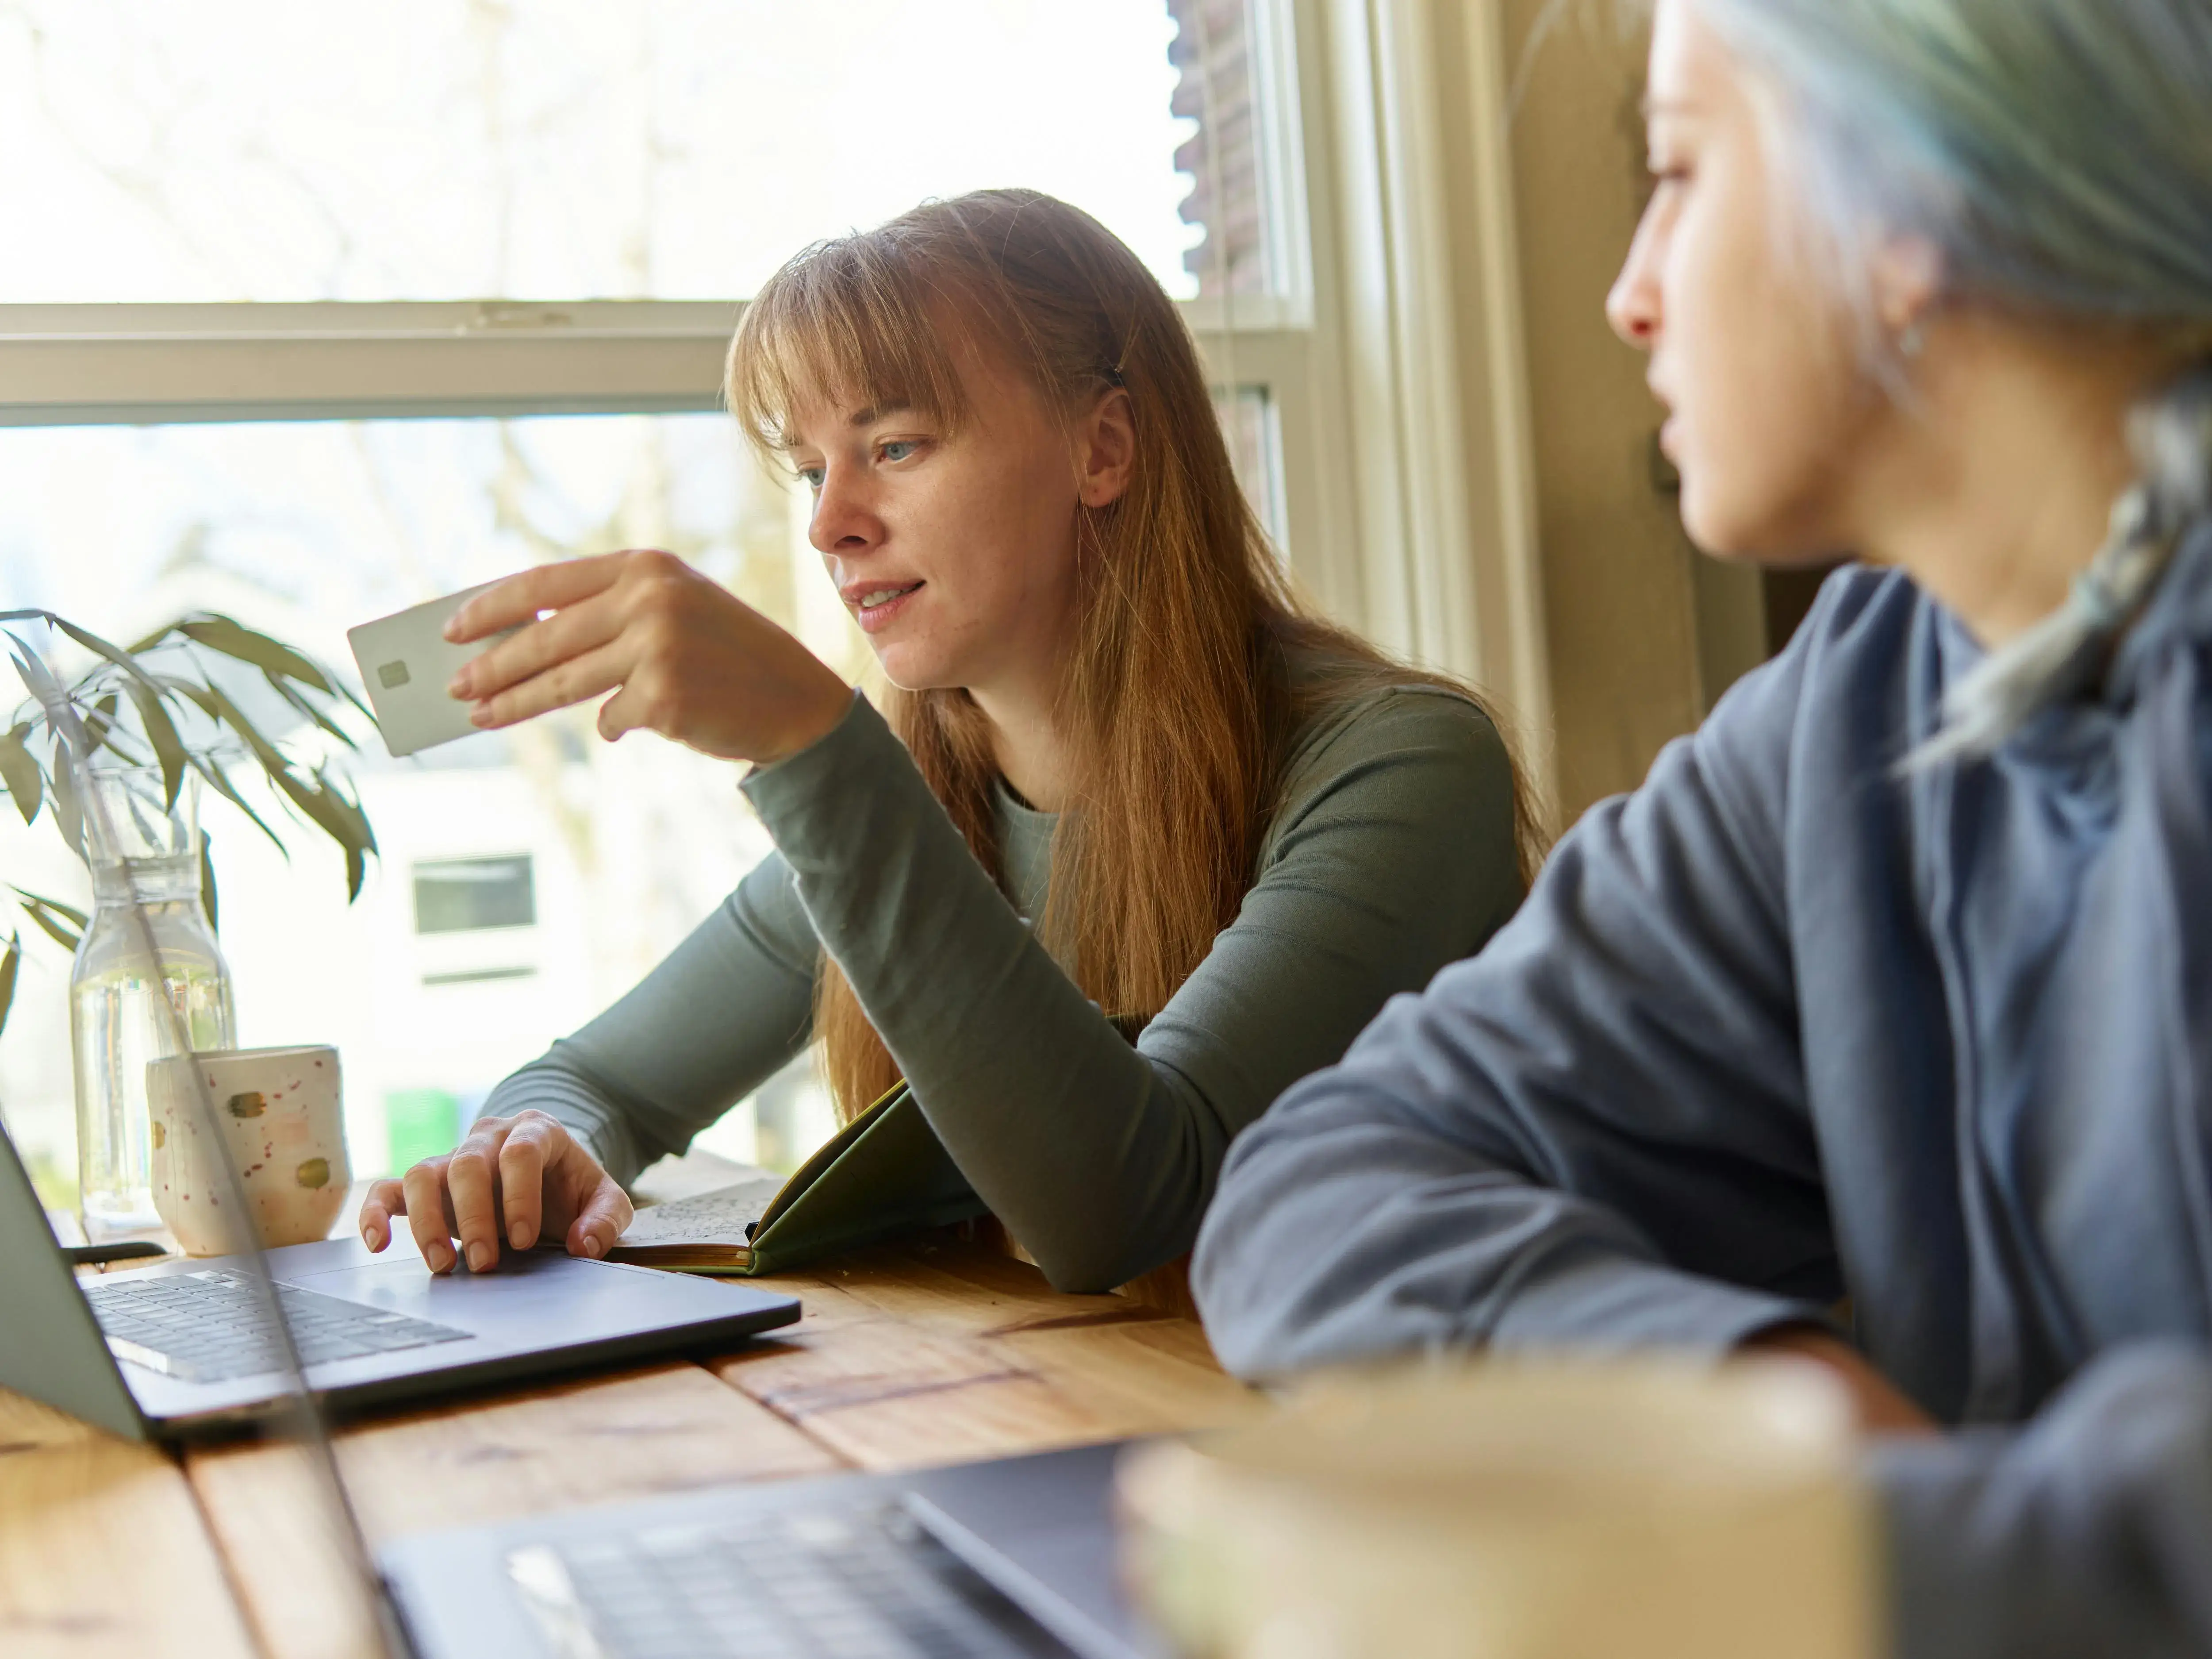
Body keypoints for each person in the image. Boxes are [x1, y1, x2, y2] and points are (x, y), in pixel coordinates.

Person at [1190, 1, 2212, 1654]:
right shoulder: (1857, 708)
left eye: (1678, 169)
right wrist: (1754, 1409)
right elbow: (1317, 1181)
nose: (1629, 290)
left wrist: (1807, 1534)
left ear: (1916, 203)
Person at [357, 189, 1536, 1297]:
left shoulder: (1401, 769)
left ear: (1104, 450)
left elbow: (1126, 1211)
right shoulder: (911, 815)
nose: (830, 523)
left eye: (899, 446)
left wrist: (815, 744)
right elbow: (592, 1079)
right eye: (813, 467)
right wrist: (534, 1147)